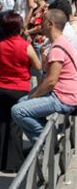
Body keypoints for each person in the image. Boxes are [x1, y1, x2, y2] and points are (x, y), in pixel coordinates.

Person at [12, 9, 77, 143]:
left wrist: (33, 96)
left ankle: (49, 141)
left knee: (18, 111)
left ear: (50, 24)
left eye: (43, 21)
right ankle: (54, 136)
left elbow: (51, 81)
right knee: (22, 102)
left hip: (64, 98)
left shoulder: (57, 48)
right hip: (63, 94)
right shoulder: (60, 43)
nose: (40, 25)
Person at [0, 12, 41, 172]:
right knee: (15, 126)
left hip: (0, 87)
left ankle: (0, 160)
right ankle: (13, 163)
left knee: (2, 123)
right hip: (19, 88)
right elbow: (38, 66)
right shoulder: (25, 46)